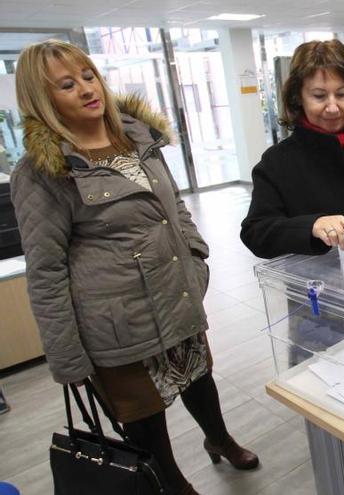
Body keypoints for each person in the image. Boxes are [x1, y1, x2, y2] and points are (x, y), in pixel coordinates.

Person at [10, 40, 257, 495]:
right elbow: (45, 272)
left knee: (198, 379)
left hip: (175, 296)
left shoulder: (137, 137)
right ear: (43, 100)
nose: (87, 89)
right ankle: (171, 481)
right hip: (120, 324)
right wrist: (67, 359)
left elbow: (173, 204)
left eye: (88, 75)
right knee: (145, 414)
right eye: (67, 84)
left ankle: (218, 439)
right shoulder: (42, 171)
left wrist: (196, 255)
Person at [240, 39, 344, 258]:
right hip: (311, 288)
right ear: (298, 98)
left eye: (341, 94)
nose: (332, 107)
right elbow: (255, 232)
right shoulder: (277, 162)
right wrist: (311, 225)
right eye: (319, 96)